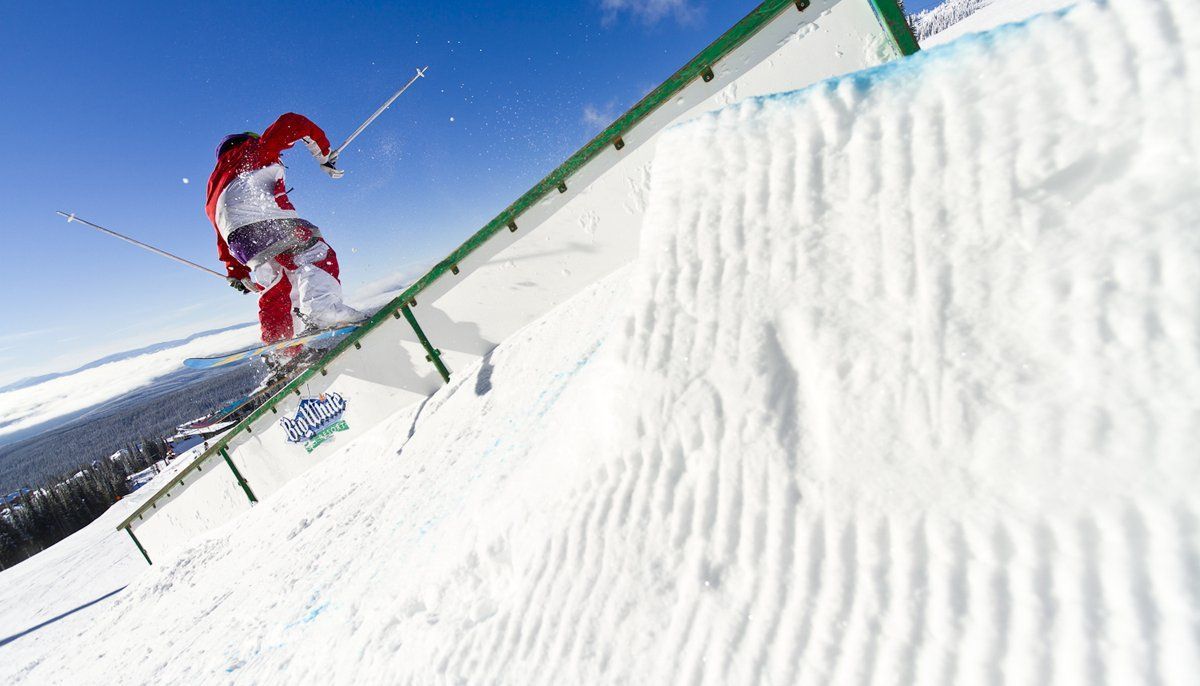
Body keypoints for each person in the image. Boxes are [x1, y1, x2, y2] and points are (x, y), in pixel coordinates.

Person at [205, 113, 364, 345]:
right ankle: (325, 311)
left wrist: (236, 272)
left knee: (277, 286)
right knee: (315, 253)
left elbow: (222, 234)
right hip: (267, 223)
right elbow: (292, 122)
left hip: (242, 244)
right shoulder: (252, 151)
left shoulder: (213, 190)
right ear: (248, 140)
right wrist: (323, 154)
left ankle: (281, 349)